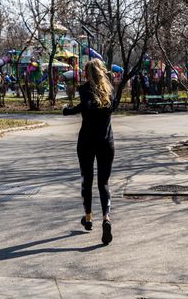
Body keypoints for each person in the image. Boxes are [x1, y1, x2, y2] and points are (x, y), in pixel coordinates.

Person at [63, 58, 116, 245]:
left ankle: (88, 218)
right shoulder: (110, 92)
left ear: (87, 73)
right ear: (102, 71)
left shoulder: (84, 90)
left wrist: (67, 111)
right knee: (104, 183)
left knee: (87, 180)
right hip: (106, 142)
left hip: (86, 142)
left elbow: (81, 107)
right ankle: (106, 218)